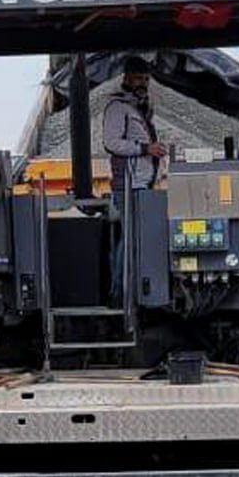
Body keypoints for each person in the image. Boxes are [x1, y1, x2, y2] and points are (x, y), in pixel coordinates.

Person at [102, 55, 167, 303]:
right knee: (129, 238)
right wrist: (145, 149)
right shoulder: (118, 108)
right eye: (139, 78)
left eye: (146, 79)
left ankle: (131, 290)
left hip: (142, 184)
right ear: (127, 78)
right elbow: (111, 142)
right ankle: (119, 293)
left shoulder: (138, 109)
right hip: (128, 186)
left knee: (135, 237)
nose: (143, 84)